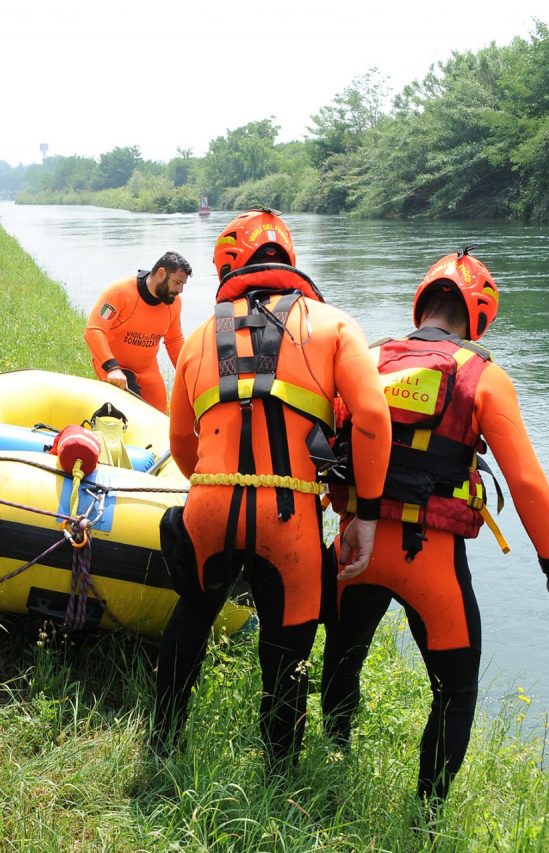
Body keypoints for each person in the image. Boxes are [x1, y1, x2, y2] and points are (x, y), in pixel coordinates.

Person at [320, 247, 549, 811]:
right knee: (455, 692)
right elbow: (529, 484)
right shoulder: (483, 377)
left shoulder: (363, 360)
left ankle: (334, 759)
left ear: (422, 302)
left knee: (343, 658)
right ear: (479, 314)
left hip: (354, 551)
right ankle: (426, 817)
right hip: (429, 562)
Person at [153, 210, 392, 765]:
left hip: (208, 498)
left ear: (229, 267)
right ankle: (279, 767)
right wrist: (367, 514)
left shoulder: (195, 338)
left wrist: (215, 491)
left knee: (191, 614)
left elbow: (182, 444)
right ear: (290, 259)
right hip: (289, 512)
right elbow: (374, 421)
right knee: (287, 647)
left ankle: (164, 743)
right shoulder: (333, 324)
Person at [84, 251, 191, 412]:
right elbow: (94, 330)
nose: (181, 289)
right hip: (116, 368)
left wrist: (190, 375)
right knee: (132, 412)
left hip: (148, 370)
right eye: (177, 283)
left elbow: (174, 340)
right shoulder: (121, 292)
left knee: (160, 416)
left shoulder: (174, 303)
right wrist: (112, 368)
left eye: (183, 284)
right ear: (161, 274)